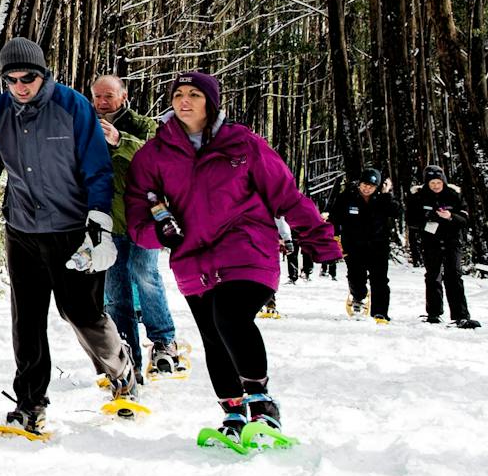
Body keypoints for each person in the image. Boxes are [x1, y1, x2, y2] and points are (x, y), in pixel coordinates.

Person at [128, 72, 339, 445]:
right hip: (192, 257)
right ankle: (233, 413)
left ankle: (262, 404)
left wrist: (318, 238)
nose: (185, 101)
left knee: (230, 315)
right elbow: (137, 215)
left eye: (194, 94)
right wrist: (157, 233)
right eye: (178, 94)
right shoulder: (153, 156)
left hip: (247, 246)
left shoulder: (243, 143)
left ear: (211, 102)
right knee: (212, 334)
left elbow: (285, 194)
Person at [0, 37, 135, 438]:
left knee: (80, 311)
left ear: (44, 74)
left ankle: (120, 367)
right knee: (27, 318)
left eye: (29, 77)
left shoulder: (73, 107)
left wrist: (98, 220)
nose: (21, 86)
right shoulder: (0, 111)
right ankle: (30, 404)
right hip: (22, 229)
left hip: (73, 229)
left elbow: (97, 167)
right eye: (12, 79)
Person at [92, 73, 187, 379]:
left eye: (108, 96)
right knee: (115, 291)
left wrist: (120, 140)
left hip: (145, 218)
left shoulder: (145, 126)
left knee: (145, 275)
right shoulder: (85, 128)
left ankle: (164, 342)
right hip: (109, 221)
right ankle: (126, 353)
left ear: (124, 97)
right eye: (97, 97)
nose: (102, 103)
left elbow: (158, 163)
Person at [322, 166, 400, 321]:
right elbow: (335, 217)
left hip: (378, 245)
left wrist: (387, 195)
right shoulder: (348, 196)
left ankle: (380, 312)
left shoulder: (382, 198)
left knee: (380, 280)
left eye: (371, 186)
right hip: (353, 244)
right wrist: (334, 236)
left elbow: (396, 212)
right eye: (364, 185)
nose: (366, 189)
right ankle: (358, 297)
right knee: (356, 276)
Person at [408, 164, 480, 328]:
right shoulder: (418, 196)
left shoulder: (454, 194)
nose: (435, 186)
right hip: (430, 241)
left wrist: (450, 217)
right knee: (433, 276)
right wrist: (428, 218)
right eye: (432, 183)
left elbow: (465, 218)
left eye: (438, 183)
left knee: (454, 276)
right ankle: (433, 313)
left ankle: (460, 315)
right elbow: (411, 220)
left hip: (452, 241)